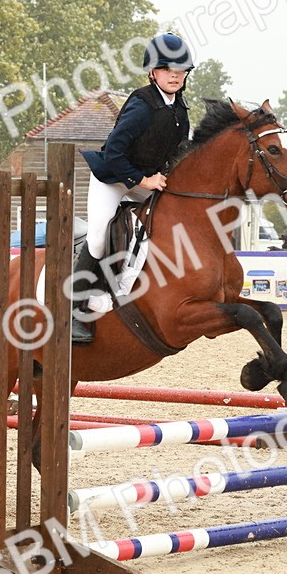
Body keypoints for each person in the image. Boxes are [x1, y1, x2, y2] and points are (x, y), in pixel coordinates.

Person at [73, 32, 193, 343]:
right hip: (113, 178)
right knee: (98, 237)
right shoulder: (141, 105)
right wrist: (143, 181)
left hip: (146, 180)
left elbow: (178, 153)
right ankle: (74, 310)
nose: (175, 75)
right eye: (167, 69)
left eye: (180, 70)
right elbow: (114, 152)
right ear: (153, 73)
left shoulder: (180, 110)